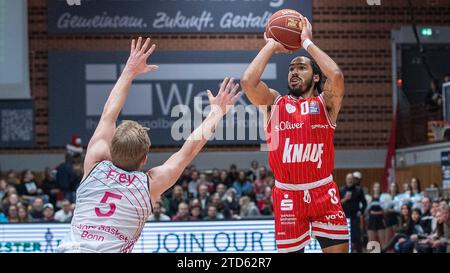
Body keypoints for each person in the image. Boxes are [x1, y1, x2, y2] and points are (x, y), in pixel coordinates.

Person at [57, 37, 241, 253]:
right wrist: (216, 112)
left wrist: (129, 70)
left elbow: (109, 113)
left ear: (111, 150)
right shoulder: (149, 185)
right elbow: (188, 150)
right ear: (144, 159)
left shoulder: (95, 163)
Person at [241, 15, 347, 253]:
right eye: (291, 68)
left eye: (301, 67)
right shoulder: (274, 103)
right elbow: (248, 82)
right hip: (288, 196)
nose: (294, 72)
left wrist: (307, 42)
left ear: (316, 76)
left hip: (323, 192)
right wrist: (271, 43)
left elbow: (337, 76)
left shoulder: (326, 104)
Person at [340, 173, 367, 253]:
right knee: (345, 238)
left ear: (354, 180)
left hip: (355, 217)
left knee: (357, 237)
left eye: (351, 179)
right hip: (344, 218)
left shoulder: (358, 190)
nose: (350, 180)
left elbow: (364, 203)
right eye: (348, 179)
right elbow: (337, 203)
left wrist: (361, 211)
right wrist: (345, 198)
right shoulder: (342, 190)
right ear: (346, 180)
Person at [366, 182, 386, 249]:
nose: (377, 188)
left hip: (380, 221)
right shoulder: (369, 198)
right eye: (376, 187)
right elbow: (367, 211)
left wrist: (375, 213)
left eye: (378, 187)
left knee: (383, 242)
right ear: (373, 188)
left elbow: (384, 211)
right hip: (371, 221)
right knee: (371, 242)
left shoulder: (383, 198)